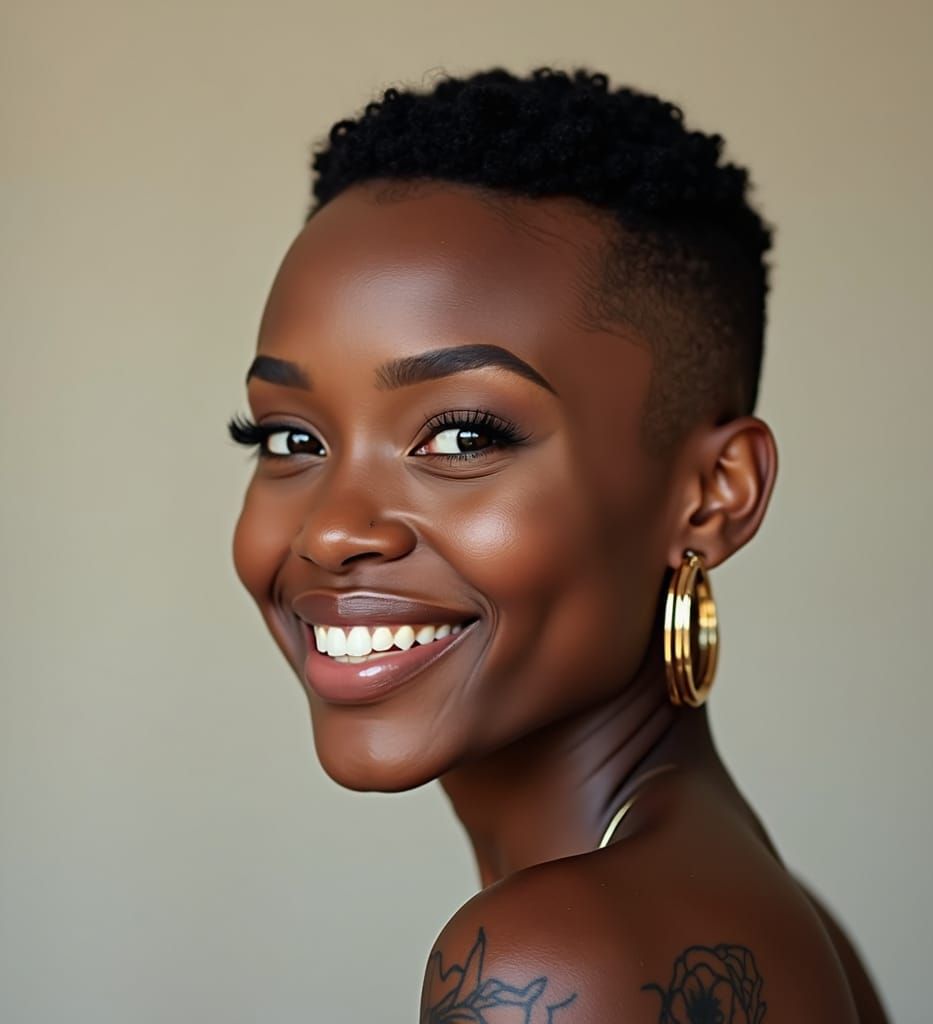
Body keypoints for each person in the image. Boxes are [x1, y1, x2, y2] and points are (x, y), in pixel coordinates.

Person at [229, 67, 889, 1023]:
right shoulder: (749, 908)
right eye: (292, 439)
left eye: (461, 436)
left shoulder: (564, 958)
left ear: (714, 493)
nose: (332, 528)